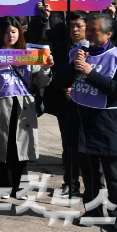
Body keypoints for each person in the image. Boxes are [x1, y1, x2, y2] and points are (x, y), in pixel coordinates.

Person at [53, 13, 117, 232]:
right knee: (89, 174)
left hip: (109, 125)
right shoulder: (77, 52)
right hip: (81, 122)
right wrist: (74, 65)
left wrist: (89, 72)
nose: (87, 33)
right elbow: (59, 81)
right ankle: (93, 211)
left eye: (93, 30)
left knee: (114, 176)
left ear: (108, 34)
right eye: (87, 28)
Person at [0, 17, 54, 198]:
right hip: (0, 105)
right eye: (6, 32)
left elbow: (40, 82)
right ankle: (4, 186)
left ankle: (21, 188)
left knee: (21, 147)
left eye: (14, 32)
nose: (10, 36)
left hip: (24, 106)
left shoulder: (28, 54)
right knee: (4, 147)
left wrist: (46, 68)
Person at [43, 10, 87, 197]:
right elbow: (55, 75)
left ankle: (94, 185)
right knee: (69, 145)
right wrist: (65, 88)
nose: (75, 29)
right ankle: (71, 183)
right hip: (66, 104)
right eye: (72, 26)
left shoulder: (95, 48)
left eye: (79, 26)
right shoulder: (61, 49)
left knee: (90, 146)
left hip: (90, 104)